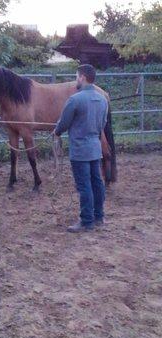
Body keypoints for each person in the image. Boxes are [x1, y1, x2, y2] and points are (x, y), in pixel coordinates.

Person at [53, 64, 108, 233]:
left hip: (79, 150)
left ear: (82, 77)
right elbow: (103, 124)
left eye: (76, 76)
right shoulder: (103, 100)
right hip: (94, 148)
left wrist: (57, 131)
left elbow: (64, 123)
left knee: (84, 186)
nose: (76, 79)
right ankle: (98, 217)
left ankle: (86, 221)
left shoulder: (75, 100)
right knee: (97, 183)